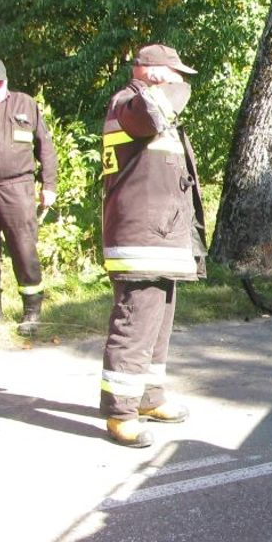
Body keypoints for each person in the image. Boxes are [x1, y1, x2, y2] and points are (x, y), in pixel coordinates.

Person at [98, 44, 206, 447]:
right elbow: (153, 115)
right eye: (173, 73)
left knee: (157, 325)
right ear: (149, 72)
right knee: (135, 325)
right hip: (140, 239)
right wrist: (169, 88)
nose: (181, 81)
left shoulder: (147, 103)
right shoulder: (129, 103)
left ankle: (148, 395)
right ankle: (120, 412)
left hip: (162, 237)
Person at [0, 57, 57, 334]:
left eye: (0, 83)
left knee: (23, 248)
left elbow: (46, 148)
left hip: (17, 188)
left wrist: (49, 186)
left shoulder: (25, 104)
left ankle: (31, 312)